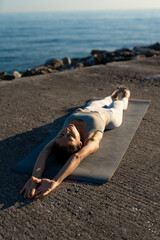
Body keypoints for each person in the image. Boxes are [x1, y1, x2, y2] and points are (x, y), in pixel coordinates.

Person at [20, 87, 130, 199]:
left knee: (106, 99)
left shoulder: (61, 139)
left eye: (61, 134)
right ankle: (125, 97)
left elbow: (45, 152)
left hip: (90, 108)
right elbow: (77, 156)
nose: (66, 131)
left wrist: (34, 178)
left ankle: (111, 96)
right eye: (70, 136)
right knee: (120, 105)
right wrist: (56, 181)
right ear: (80, 143)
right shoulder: (92, 137)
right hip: (110, 115)